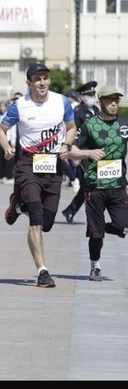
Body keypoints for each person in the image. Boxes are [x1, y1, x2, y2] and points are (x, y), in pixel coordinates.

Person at [0, 62, 75, 288]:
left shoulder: (61, 102)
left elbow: (71, 127)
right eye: (37, 79)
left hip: (53, 165)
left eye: (45, 78)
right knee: (37, 218)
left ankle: (17, 205)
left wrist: (67, 145)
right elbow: (1, 130)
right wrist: (6, 147)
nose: (42, 82)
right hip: (28, 164)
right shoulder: (19, 106)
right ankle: (42, 271)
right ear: (29, 83)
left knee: (48, 223)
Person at [67, 85, 128, 282]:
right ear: (100, 101)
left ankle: (107, 229)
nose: (113, 104)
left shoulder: (124, 124)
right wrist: (88, 153)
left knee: (122, 225)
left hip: (118, 185)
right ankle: (95, 267)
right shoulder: (89, 125)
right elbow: (72, 150)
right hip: (95, 186)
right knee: (96, 235)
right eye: (109, 100)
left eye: (116, 100)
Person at [62, 80, 99, 224]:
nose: (92, 97)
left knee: (88, 185)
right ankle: (90, 215)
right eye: (89, 95)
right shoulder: (78, 112)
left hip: (96, 152)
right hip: (82, 151)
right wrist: (74, 155)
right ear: (82, 96)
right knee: (90, 184)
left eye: (93, 94)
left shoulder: (96, 110)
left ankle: (70, 210)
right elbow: (73, 133)